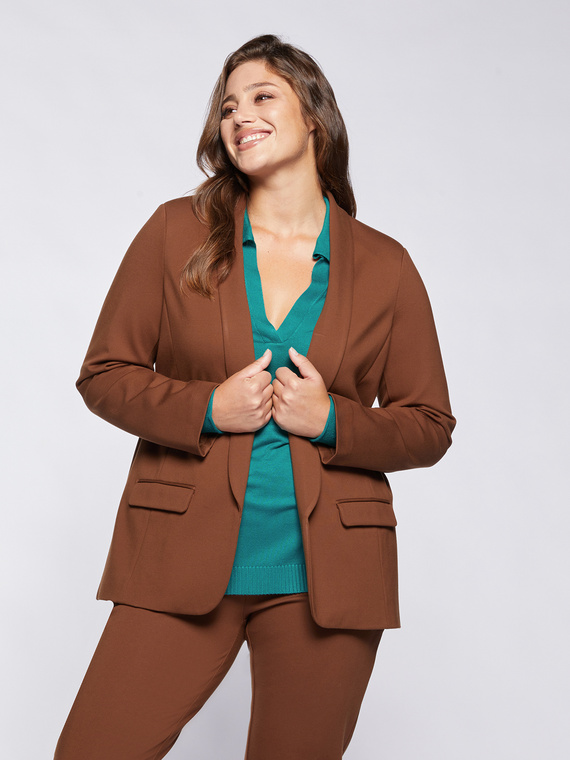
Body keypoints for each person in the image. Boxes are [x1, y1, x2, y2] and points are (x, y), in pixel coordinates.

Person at [54, 34, 455, 760]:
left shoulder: (386, 265)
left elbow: (429, 424)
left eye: (262, 96)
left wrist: (333, 421)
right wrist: (208, 409)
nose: (240, 115)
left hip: (328, 577)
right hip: (178, 554)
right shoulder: (175, 231)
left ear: (314, 115)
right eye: (227, 106)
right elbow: (104, 372)